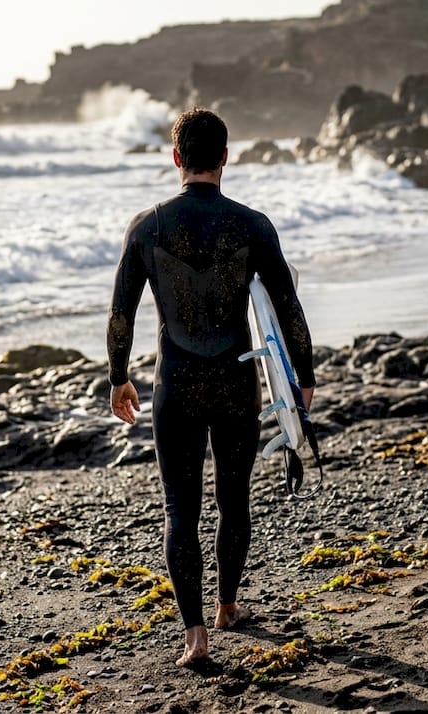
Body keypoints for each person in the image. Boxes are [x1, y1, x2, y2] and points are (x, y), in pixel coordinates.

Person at [106, 108, 316, 667]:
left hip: (174, 384)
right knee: (233, 500)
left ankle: (195, 637)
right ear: (226, 157)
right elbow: (289, 310)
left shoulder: (147, 226)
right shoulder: (252, 226)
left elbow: (121, 313)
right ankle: (227, 607)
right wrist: (304, 379)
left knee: (180, 508)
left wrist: (117, 377)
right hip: (233, 381)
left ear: (176, 158)